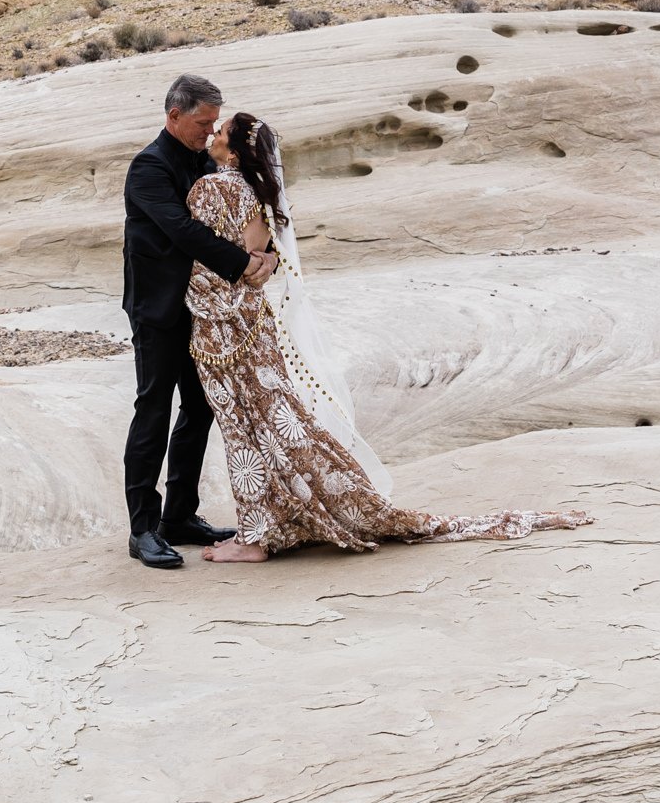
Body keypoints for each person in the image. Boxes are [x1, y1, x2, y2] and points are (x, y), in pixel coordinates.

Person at [186, 111, 592, 560]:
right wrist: (256, 272)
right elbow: (261, 261)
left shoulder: (211, 189)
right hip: (256, 327)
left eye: (220, 132)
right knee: (276, 423)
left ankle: (254, 538)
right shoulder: (263, 199)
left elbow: (204, 262)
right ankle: (277, 520)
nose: (213, 135)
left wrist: (210, 298)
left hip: (221, 331)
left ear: (235, 151)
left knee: (242, 428)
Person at [121, 72, 279, 569]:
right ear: (173, 116)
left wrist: (267, 253)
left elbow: (240, 218)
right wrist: (242, 266)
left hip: (206, 312)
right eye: (202, 123)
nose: (210, 134)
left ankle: (179, 517)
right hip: (159, 310)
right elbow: (184, 231)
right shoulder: (148, 168)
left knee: (199, 411)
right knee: (153, 412)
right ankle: (143, 529)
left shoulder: (203, 162)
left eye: (215, 125)